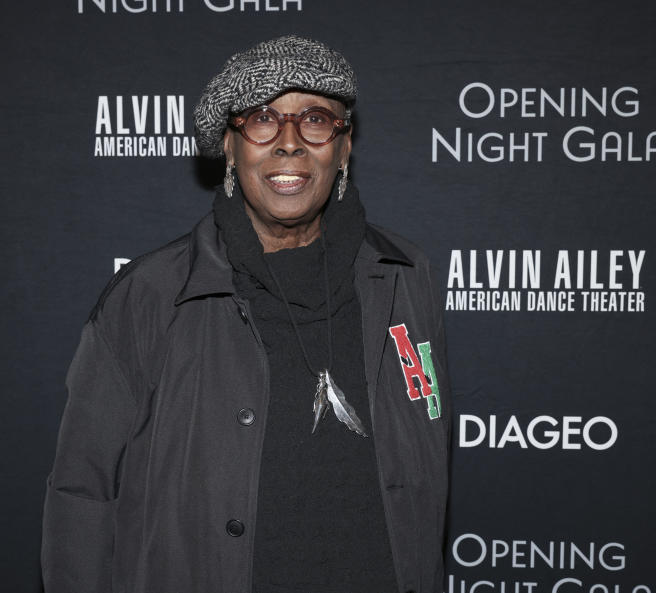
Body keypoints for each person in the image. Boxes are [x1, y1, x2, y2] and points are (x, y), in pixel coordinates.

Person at [42, 34, 450, 593]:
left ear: (344, 145)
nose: (289, 143)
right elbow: (82, 494)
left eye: (314, 119)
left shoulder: (407, 275)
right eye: (262, 119)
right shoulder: (151, 296)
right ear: (229, 148)